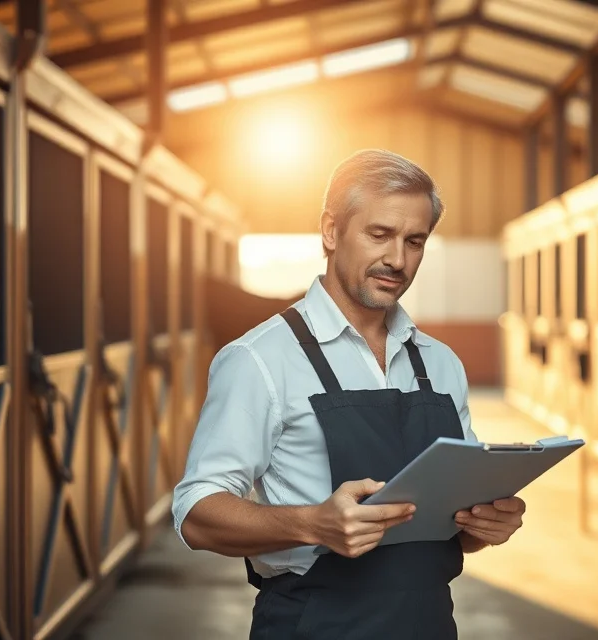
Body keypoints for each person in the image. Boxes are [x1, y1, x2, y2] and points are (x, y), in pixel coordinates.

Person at [171, 149, 528, 638]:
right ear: (330, 231)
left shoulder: (440, 363)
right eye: (379, 234)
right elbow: (196, 512)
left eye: (415, 241)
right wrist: (312, 523)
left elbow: (452, 527)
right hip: (313, 625)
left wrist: (483, 526)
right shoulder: (259, 359)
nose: (397, 260)